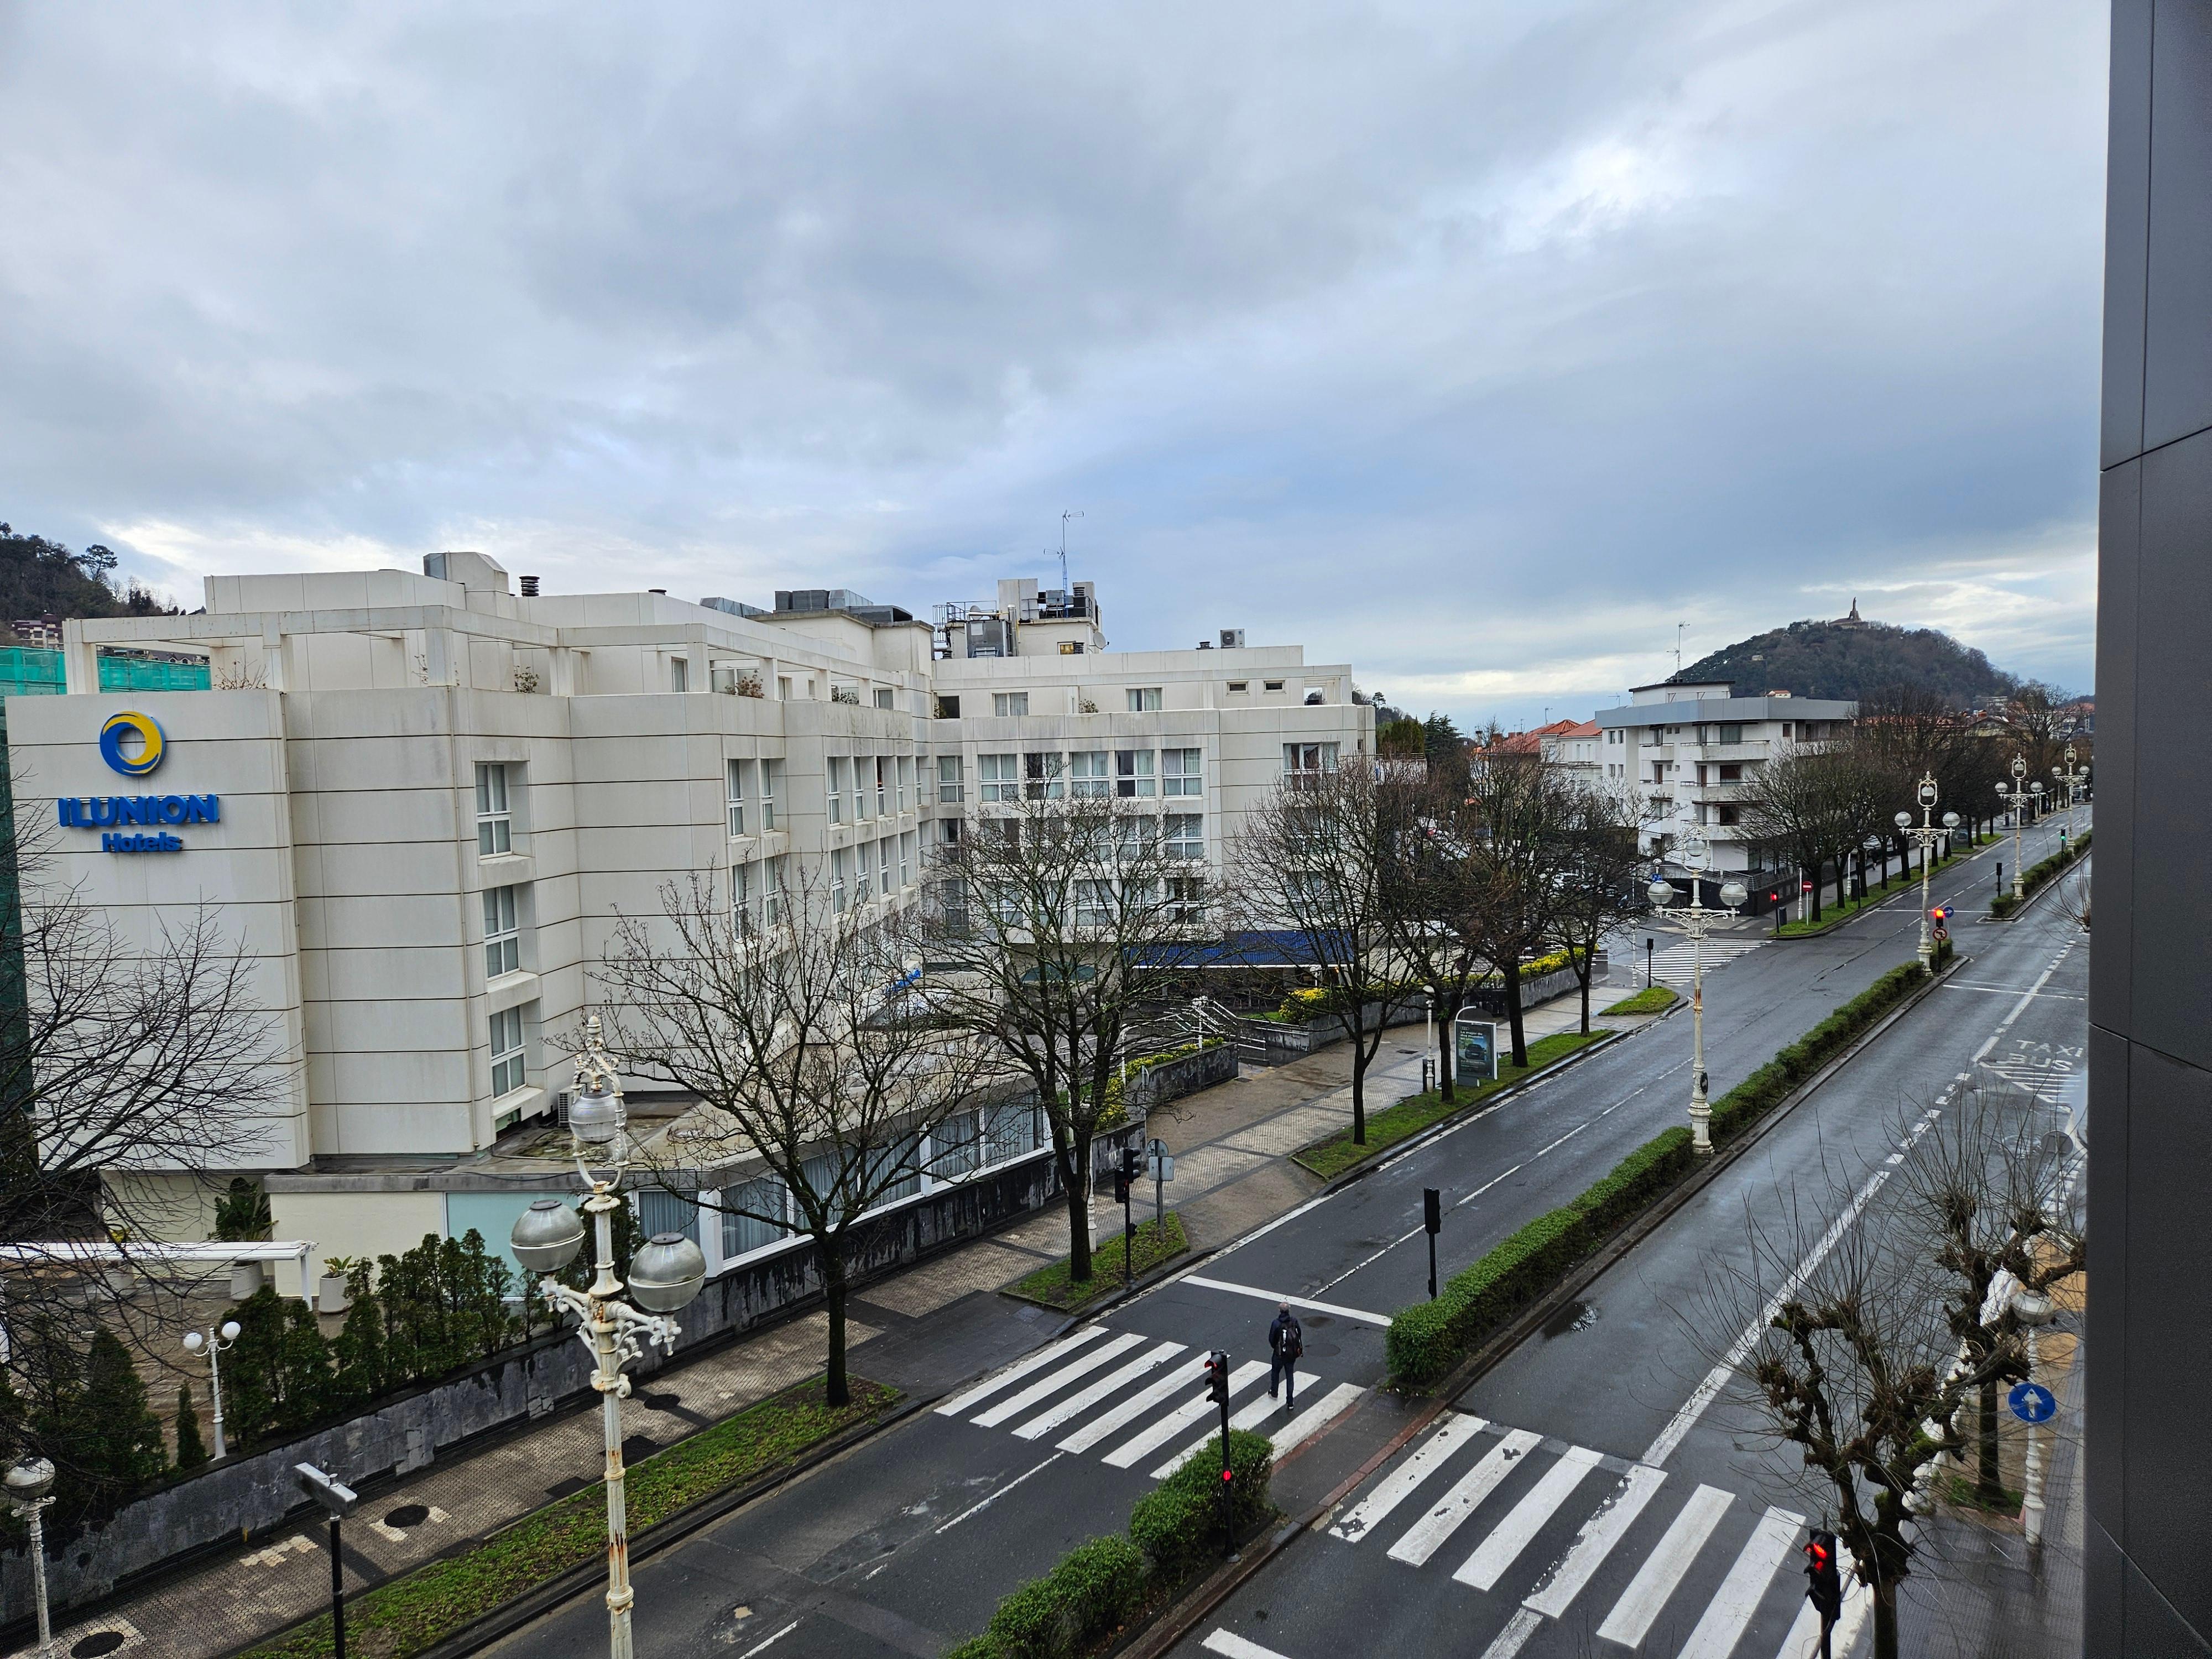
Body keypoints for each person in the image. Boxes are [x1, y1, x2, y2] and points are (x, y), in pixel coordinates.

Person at [1267, 1301, 1303, 1411]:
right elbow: (1299, 1334)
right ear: (1289, 1311)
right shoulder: (1294, 1321)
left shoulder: (1276, 1323)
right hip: (1291, 1354)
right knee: (1290, 1376)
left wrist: (1277, 1347)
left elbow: (1272, 1339)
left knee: (1275, 1372)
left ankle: (1274, 1392)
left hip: (1279, 1354)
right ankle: (1290, 1402)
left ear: (1280, 1311)